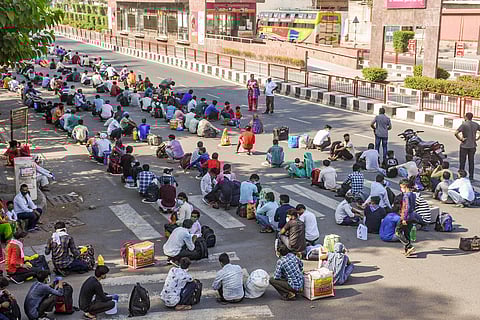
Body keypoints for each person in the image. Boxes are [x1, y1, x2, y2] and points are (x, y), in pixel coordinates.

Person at [454, 112, 480, 181]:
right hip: (472, 146)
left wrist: (461, 139)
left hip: (464, 146)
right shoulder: (476, 124)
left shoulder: (464, 124)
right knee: (471, 162)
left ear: (466, 117)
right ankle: (471, 177)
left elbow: (456, 133)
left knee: (462, 162)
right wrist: (477, 138)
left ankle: (460, 176)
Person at [395, 179, 417, 257]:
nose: (401, 189)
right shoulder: (413, 194)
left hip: (405, 216)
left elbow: (407, 207)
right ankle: (407, 250)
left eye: (401, 187)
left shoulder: (406, 195)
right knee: (407, 232)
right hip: (412, 215)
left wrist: (404, 218)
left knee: (398, 232)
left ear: (405, 186)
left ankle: (409, 246)